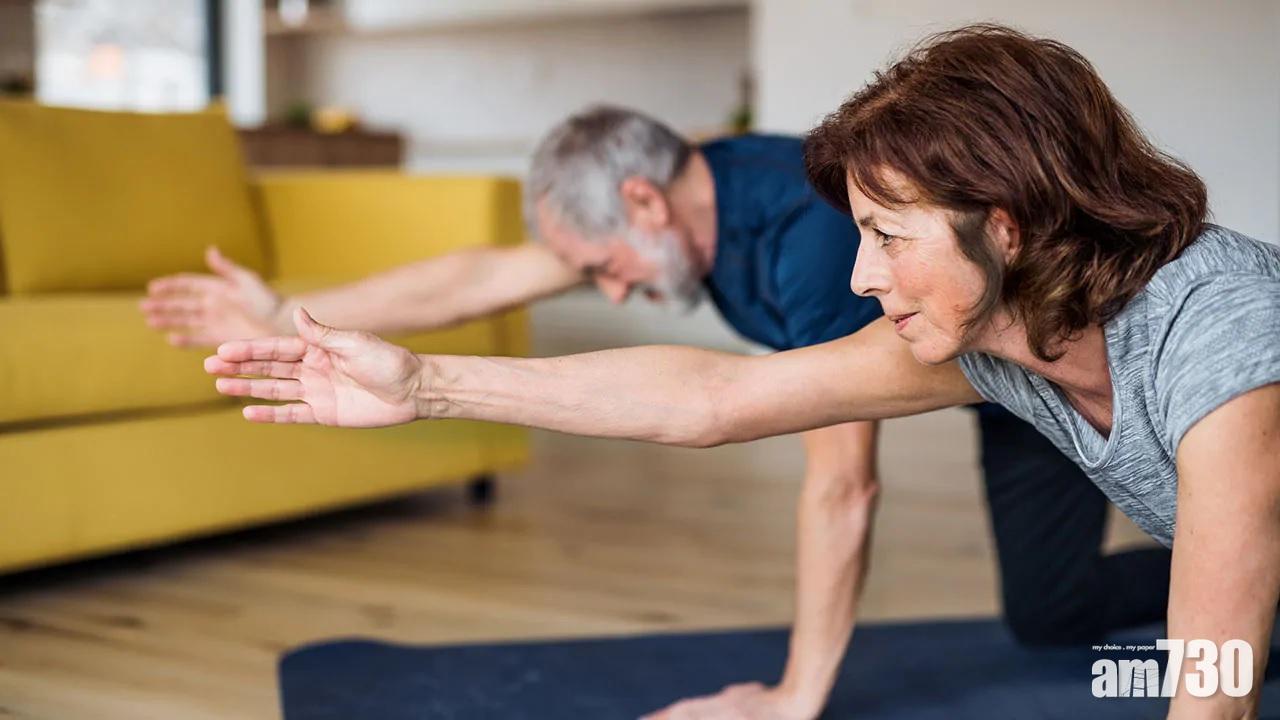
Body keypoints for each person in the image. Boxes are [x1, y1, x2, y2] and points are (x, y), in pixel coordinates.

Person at [190, 49, 1276, 713]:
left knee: (1211, 661)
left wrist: (800, 696)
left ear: (1002, 226)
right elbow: (711, 399)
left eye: (887, 239)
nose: (861, 274)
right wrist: (422, 382)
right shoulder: (992, 334)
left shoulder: (1217, 343)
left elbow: (1209, 688)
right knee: (1075, 623)